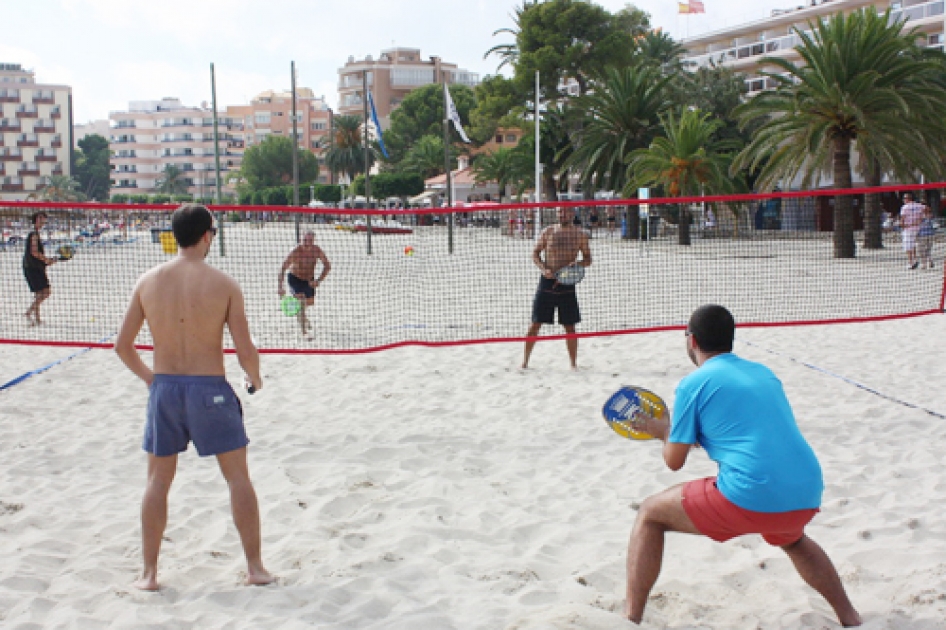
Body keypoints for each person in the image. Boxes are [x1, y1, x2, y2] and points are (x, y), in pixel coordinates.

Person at [622, 305, 861, 627]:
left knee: (650, 514)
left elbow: (674, 461)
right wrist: (677, 431)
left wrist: (660, 430)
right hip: (807, 489)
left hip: (753, 492)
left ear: (691, 341)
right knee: (792, 539)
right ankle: (850, 617)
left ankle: (630, 617)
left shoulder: (694, 383)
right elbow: (742, 429)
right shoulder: (763, 372)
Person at [115, 204, 273, 591]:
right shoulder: (224, 284)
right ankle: (254, 567)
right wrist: (255, 379)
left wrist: (152, 380)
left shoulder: (148, 281)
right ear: (206, 236)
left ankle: (149, 574)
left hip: (166, 388)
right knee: (237, 478)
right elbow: (244, 349)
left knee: (157, 481)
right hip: (209, 389)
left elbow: (122, 346)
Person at [522, 207, 592, 370]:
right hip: (547, 282)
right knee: (535, 323)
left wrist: (579, 263)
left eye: (566, 212)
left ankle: (573, 364)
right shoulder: (548, 231)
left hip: (567, 282)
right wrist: (543, 268)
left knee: (570, 326)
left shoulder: (580, 234)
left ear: (572, 214)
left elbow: (588, 258)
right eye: (560, 212)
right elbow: (535, 253)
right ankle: (525, 362)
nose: (563, 214)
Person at [278, 231, 331, 339]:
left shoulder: (317, 250)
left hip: (309, 280)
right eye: (305, 240)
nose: (307, 243)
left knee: (308, 304)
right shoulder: (296, 252)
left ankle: (303, 318)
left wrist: (318, 280)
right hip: (295, 279)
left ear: (313, 241)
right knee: (301, 301)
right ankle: (304, 332)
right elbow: (283, 268)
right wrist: (280, 287)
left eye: (309, 241)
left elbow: (327, 266)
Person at [23, 211, 56, 326]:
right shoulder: (34, 234)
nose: (44, 220)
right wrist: (46, 260)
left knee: (39, 293)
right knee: (46, 292)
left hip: (33, 267)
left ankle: (37, 319)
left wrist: (47, 261)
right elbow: (34, 252)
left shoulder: (35, 233)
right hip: (32, 267)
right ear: (37, 219)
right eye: (42, 218)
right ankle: (29, 312)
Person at [899, 192, 926, 270]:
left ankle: (911, 262)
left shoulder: (905, 207)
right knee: (912, 244)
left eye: (904, 198)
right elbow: (927, 208)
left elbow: (902, 219)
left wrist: (903, 225)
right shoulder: (918, 205)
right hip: (917, 228)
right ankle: (915, 260)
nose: (903, 200)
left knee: (908, 246)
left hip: (908, 229)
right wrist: (920, 219)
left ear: (907, 199)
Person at [916, 205, 936, 269]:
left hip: (924, 235)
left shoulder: (927, 216)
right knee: (926, 249)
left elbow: (918, 224)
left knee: (922, 250)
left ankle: (925, 263)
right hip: (927, 234)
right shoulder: (929, 216)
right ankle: (930, 261)